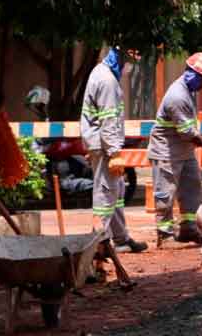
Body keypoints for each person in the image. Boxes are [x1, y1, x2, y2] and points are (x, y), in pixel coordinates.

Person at [147, 52, 202, 247]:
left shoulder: (189, 90)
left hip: (183, 150)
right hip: (167, 152)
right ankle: (164, 235)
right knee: (165, 194)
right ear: (193, 74)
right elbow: (188, 133)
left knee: (192, 188)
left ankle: (188, 228)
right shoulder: (177, 96)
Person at [80, 48, 147, 253]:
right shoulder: (107, 81)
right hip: (105, 147)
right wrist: (114, 153)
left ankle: (120, 239)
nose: (131, 66)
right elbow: (108, 120)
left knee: (117, 191)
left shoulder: (101, 72)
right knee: (105, 195)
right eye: (131, 61)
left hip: (100, 144)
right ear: (121, 58)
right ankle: (96, 248)